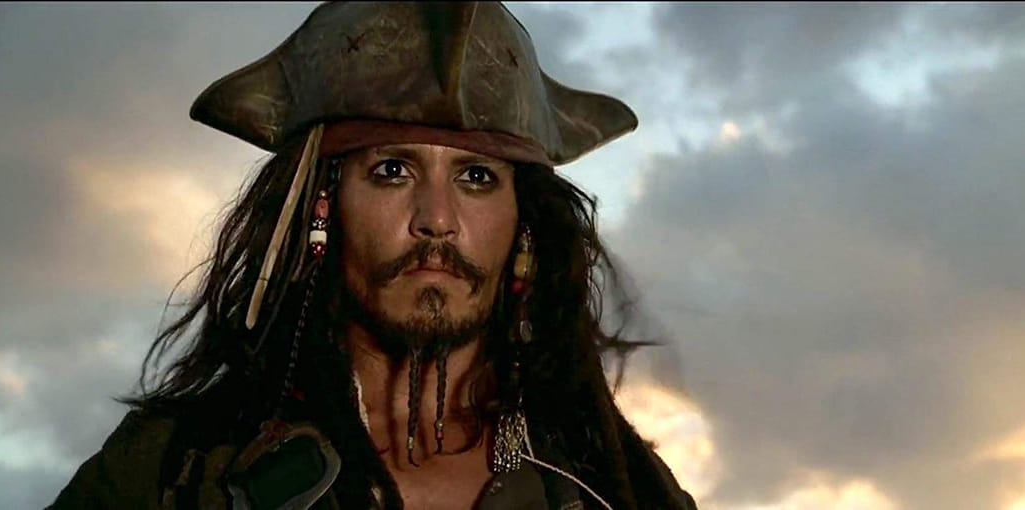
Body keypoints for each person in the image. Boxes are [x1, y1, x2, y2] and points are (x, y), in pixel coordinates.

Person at [49, 2, 697, 509]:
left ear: (523, 223)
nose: (436, 219)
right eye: (392, 170)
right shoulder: (183, 470)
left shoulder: (611, 485)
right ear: (322, 208)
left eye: (476, 177)